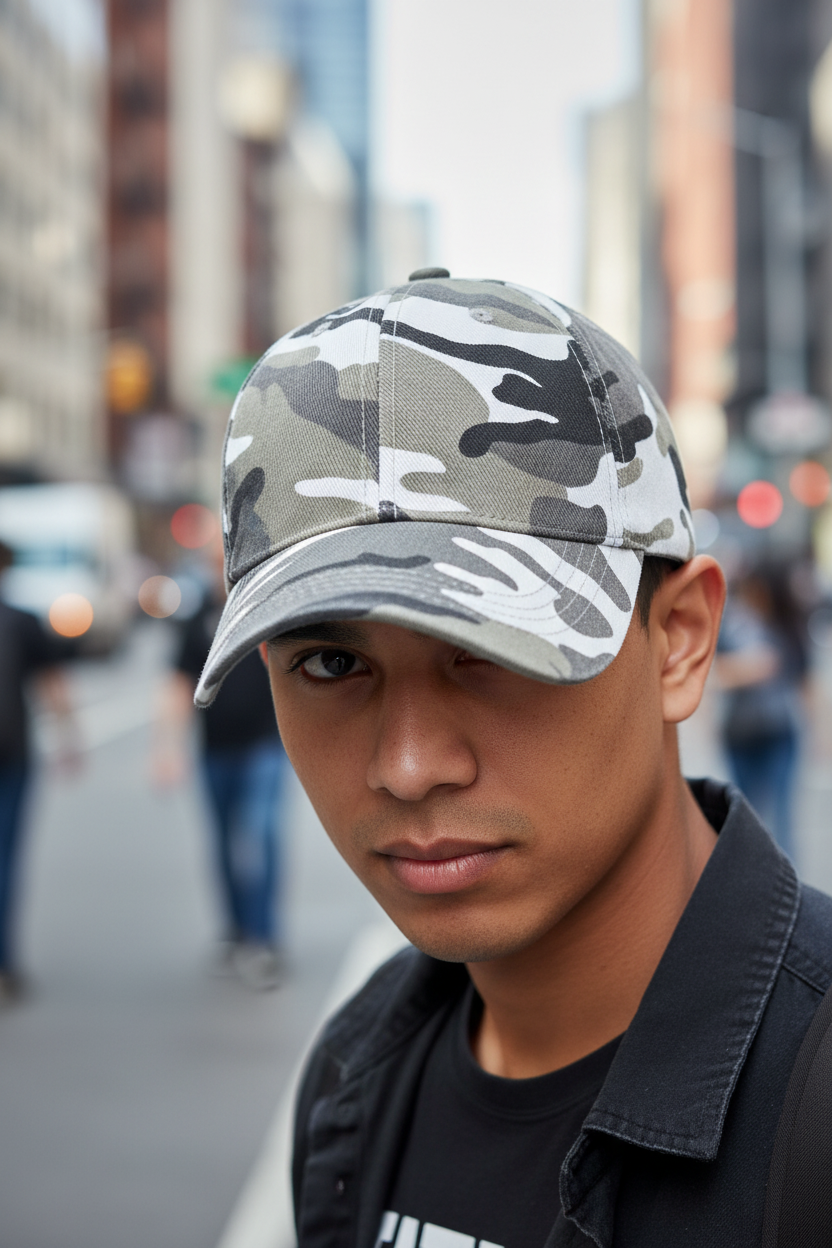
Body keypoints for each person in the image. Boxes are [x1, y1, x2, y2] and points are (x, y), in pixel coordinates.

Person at [193, 273, 832, 1246]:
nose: (409, 767)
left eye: (494, 654)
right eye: (331, 663)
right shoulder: (359, 1066)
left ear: (681, 641)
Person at [154, 541, 289, 990]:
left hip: (265, 746)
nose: (222, 570)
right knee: (223, 842)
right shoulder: (198, 620)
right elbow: (178, 684)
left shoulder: (268, 607)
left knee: (260, 833)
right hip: (214, 748)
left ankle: (264, 939)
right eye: (214, 563)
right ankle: (236, 932)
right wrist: (168, 749)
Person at [0, 540, 76, 1003]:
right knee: (6, 860)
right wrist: (69, 735)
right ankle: (3, 965)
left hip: (12, 757)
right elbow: (51, 682)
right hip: (10, 757)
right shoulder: (21, 620)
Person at [716, 563, 809, 859]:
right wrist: (749, 669)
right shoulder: (731, 622)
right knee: (747, 816)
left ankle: (788, 883)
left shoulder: (785, 625)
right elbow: (716, 672)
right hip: (740, 733)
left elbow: (804, 680)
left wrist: (819, 729)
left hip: (779, 730)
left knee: (782, 815)